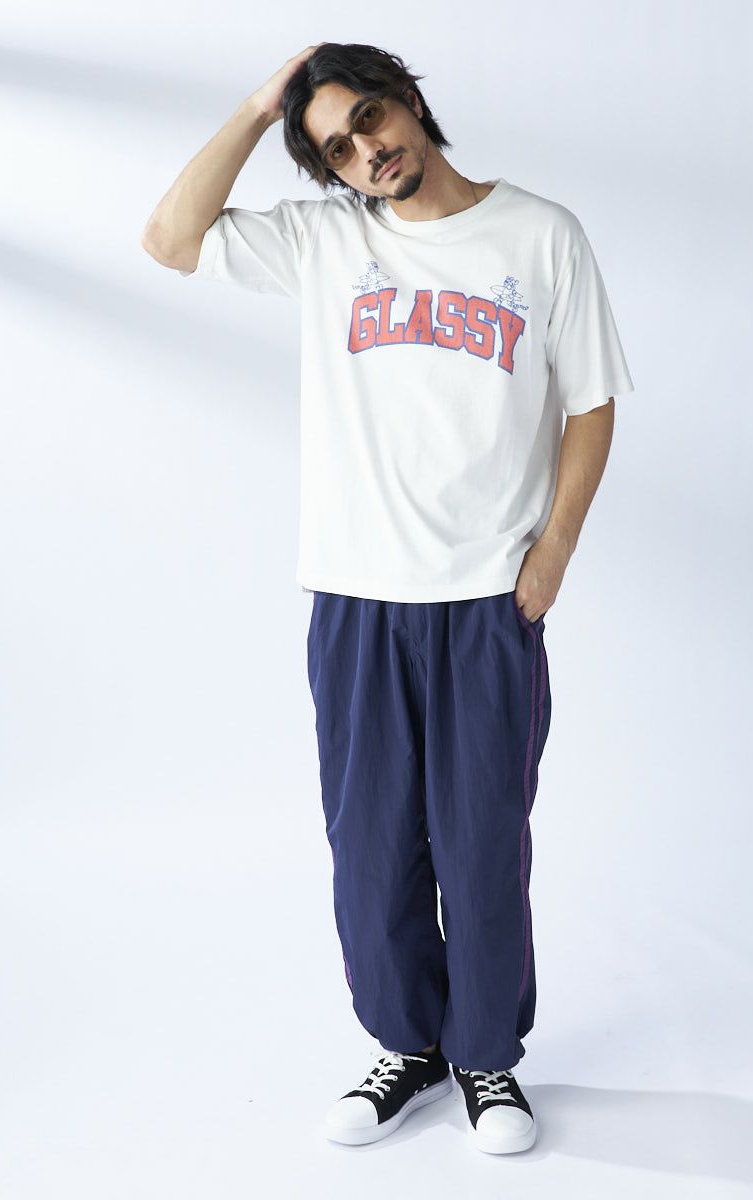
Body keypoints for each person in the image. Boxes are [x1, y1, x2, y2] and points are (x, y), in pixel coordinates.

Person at [142, 41, 634, 1156]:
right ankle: (405, 1044)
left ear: (408, 98)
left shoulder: (540, 234)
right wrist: (259, 105)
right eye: (337, 149)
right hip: (357, 596)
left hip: (487, 599)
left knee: (481, 841)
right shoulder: (326, 244)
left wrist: (553, 551)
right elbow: (169, 238)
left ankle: (486, 1057)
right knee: (369, 847)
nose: (367, 153)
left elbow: (592, 402)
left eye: (369, 118)